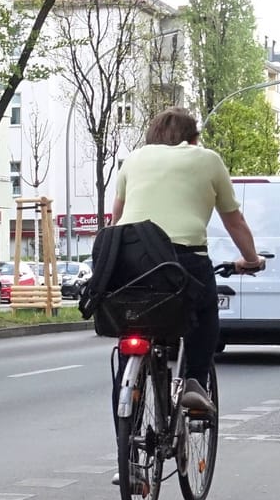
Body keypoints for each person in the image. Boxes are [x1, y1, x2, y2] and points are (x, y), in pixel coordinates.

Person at [107, 108, 263, 415]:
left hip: (130, 257)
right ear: (194, 140)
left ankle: (129, 405)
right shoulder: (208, 160)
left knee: (133, 326)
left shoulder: (133, 160)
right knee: (205, 312)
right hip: (184, 257)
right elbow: (235, 222)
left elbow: (116, 218)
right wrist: (251, 259)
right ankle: (194, 381)